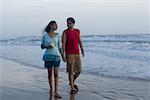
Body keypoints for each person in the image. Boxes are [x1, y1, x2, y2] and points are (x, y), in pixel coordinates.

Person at [62, 17, 84, 94]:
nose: (68, 25)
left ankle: (72, 81)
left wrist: (82, 49)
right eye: (67, 23)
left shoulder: (77, 31)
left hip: (77, 53)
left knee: (79, 71)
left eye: (70, 23)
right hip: (69, 54)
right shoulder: (65, 32)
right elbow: (63, 44)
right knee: (71, 71)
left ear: (73, 23)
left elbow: (79, 41)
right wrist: (63, 55)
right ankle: (72, 87)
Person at [41, 21, 62, 98]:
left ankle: (56, 92)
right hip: (48, 56)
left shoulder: (57, 35)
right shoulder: (45, 36)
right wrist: (47, 46)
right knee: (50, 74)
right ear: (51, 25)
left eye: (56, 25)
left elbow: (60, 47)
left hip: (56, 56)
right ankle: (51, 89)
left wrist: (63, 55)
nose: (56, 26)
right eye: (55, 25)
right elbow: (42, 46)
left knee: (56, 74)